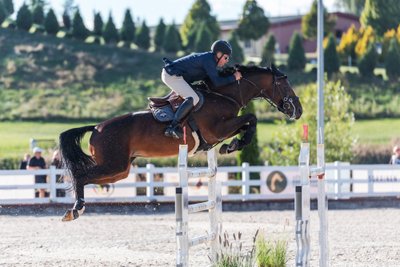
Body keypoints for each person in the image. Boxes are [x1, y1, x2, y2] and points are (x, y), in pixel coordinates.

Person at [161, 40, 242, 139]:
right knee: (194, 98)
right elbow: (217, 83)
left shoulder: (210, 59)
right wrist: (233, 77)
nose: (227, 60)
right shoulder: (209, 60)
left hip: (176, 76)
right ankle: (172, 127)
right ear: (219, 54)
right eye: (226, 57)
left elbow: (212, 79)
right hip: (172, 76)